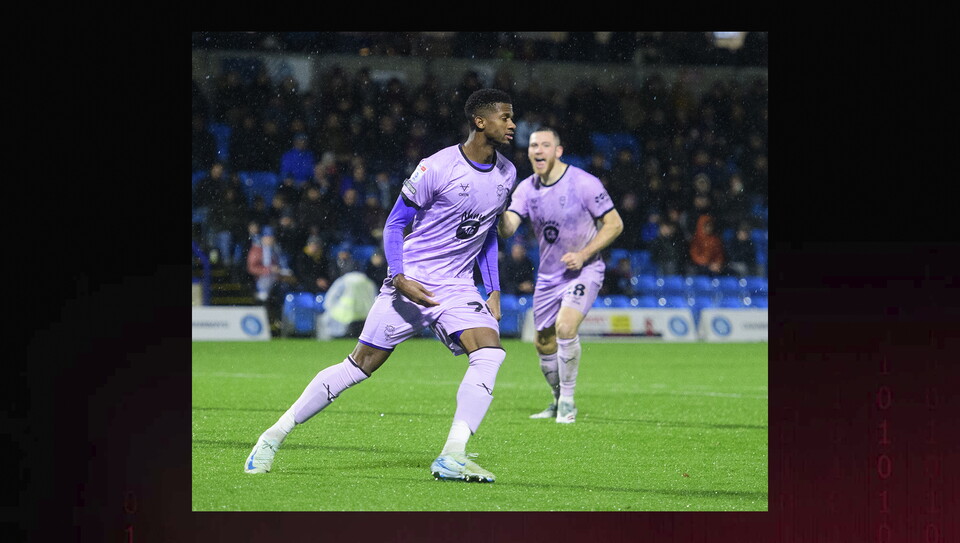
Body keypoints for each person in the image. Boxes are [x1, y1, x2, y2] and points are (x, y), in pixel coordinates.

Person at [244, 88, 518, 483]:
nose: (512, 125)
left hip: (458, 288)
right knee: (358, 367)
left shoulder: (507, 173)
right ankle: (273, 435)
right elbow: (394, 223)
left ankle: (452, 455)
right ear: (480, 121)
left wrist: (492, 289)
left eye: (512, 118)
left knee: (490, 353)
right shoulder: (437, 167)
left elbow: (486, 234)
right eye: (505, 117)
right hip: (412, 282)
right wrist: (399, 276)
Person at [498, 127, 624, 424]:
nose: (538, 150)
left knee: (565, 327)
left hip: (585, 269)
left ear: (558, 150)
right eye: (533, 145)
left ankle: (568, 401)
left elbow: (615, 224)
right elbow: (508, 228)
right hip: (549, 275)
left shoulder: (584, 183)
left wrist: (583, 254)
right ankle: (556, 400)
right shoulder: (527, 188)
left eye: (544, 145)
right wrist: (493, 205)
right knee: (543, 341)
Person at [246, 226, 297, 335]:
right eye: (268, 237)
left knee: (284, 293)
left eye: (272, 237)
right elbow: (252, 268)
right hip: (260, 283)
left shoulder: (276, 250)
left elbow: (282, 265)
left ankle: (282, 322)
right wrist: (268, 270)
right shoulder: (257, 250)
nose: (270, 240)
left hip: (275, 282)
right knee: (267, 300)